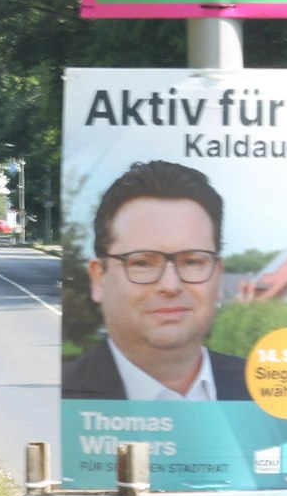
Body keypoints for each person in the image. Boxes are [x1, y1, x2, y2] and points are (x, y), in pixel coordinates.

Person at [62, 160, 250, 400]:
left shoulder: (268, 397)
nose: (170, 286)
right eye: (142, 263)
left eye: (192, 261)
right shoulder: (62, 398)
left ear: (218, 275)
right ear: (99, 279)